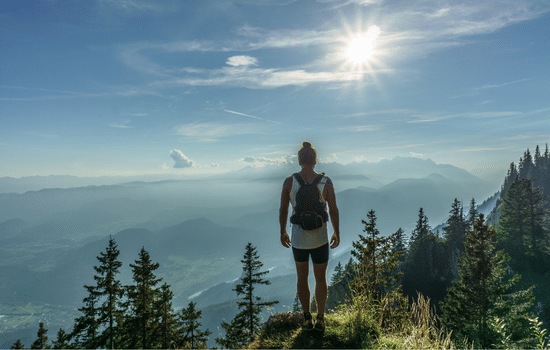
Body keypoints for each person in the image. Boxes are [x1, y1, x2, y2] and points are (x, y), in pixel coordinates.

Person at [279, 141, 340, 331]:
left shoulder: (290, 182)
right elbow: (333, 209)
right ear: (315, 160)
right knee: (321, 279)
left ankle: (306, 319)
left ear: (299, 160)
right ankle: (320, 319)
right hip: (320, 238)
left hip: (299, 239)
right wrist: (337, 232)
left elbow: (283, 209)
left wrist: (282, 231)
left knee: (302, 278)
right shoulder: (326, 182)